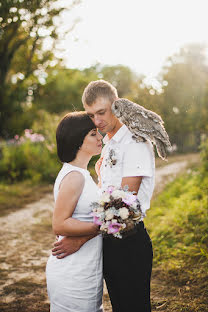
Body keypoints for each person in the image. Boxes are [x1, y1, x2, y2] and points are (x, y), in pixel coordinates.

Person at [52, 80, 155, 312]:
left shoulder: (134, 141)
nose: (97, 122)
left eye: (101, 112)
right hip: (109, 241)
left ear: (116, 105)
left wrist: (80, 239)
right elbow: (104, 196)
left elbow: (124, 206)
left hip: (129, 241)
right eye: (91, 115)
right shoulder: (108, 143)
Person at [46, 111, 103, 312]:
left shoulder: (82, 174)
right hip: (73, 272)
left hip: (85, 266)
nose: (100, 137)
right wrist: (101, 226)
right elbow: (60, 224)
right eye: (93, 134)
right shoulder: (74, 177)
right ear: (78, 142)